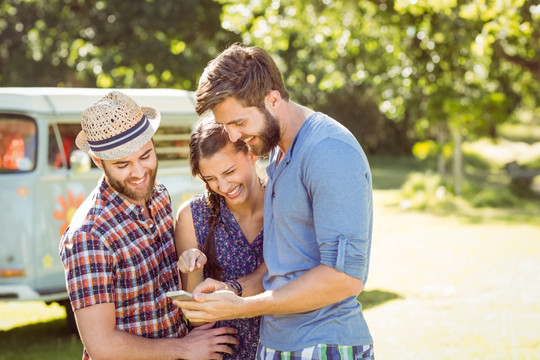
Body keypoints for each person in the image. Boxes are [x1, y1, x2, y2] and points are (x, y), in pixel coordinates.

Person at [175, 44, 374, 359]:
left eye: (239, 123)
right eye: (227, 126)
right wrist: (234, 291)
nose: (235, 136)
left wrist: (244, 307)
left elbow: (344, 278)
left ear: (273, 99)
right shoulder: (279, 154)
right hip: (279, 344)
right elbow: (286, 267)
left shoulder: (328, 150)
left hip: (324, 345)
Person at [59, 91, 237, 360]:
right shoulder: (89, 235)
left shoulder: (159, 195)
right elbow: (101, 345)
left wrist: (191, 265)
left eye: (145, 156)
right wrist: (183, 348)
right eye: (123, 164)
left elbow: (170, 293)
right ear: (98, 162)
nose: (139, 172)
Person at [175, 115, 266, 359]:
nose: (224, 186)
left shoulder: (284, 204)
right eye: (210, 179)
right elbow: (195, 318)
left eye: (229, 171)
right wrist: (194, 266)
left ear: (252, 154)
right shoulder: (193, 217)